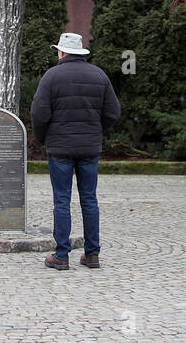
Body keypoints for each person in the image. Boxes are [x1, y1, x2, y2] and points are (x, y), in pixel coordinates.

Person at [30, 32, 120, 270]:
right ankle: (92, 254)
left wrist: (44, 138)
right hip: (90, 148)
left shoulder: (51, 76)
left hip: (59, 149)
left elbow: (38, 113)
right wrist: (96, 131)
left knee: (62, 200)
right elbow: (113, 112)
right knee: (89, 199)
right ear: (80, 52)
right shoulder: (99, 75)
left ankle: (61, 255)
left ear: (61, 52)